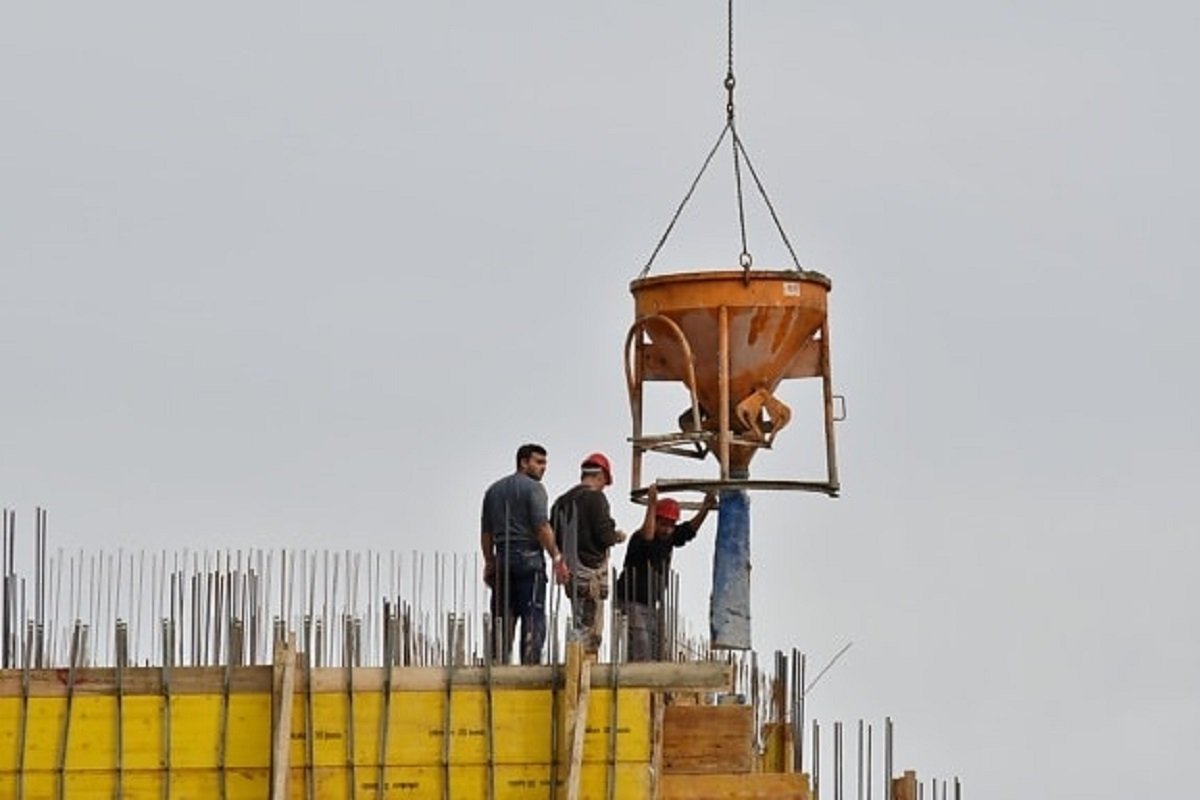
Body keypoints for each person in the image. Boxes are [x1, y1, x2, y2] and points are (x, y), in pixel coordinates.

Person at [481, 443, 570, 665]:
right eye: (539, 462)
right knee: (533, 617)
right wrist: (557, 557)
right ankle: (529, 669)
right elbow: (541, 526)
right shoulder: (534, 489)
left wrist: (489, 562)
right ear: (523, 462)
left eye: (545, 463)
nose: (543, 468)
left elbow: (486, 533)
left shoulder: (493, 491)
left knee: (502, 617)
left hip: (502, 559)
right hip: (528, 559)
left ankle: (498, 665)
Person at [615, 483, 716, 662]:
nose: (668, 529)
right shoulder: (639, 538)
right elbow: (647, 538)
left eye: (671, 525)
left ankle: (650, 685)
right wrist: (652, 505)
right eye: (663, 524)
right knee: (641, 647)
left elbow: (688, 531)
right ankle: (640, 683)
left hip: (651, 603)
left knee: (655, 649)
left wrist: (705, 508)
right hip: (631, 602)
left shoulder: (668, 537)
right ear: (656, 519)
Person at [551, 452, 627, 657]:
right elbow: (604, 536)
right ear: (600, 476)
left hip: (571, 574)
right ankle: (585, 669)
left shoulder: (560, 503)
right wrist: (617, 536)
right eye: (605, 482)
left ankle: (577, 662)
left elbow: (553, 538)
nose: (604, 487)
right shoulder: (596, 498)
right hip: (591, 575)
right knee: (591, 630)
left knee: (578, 624)